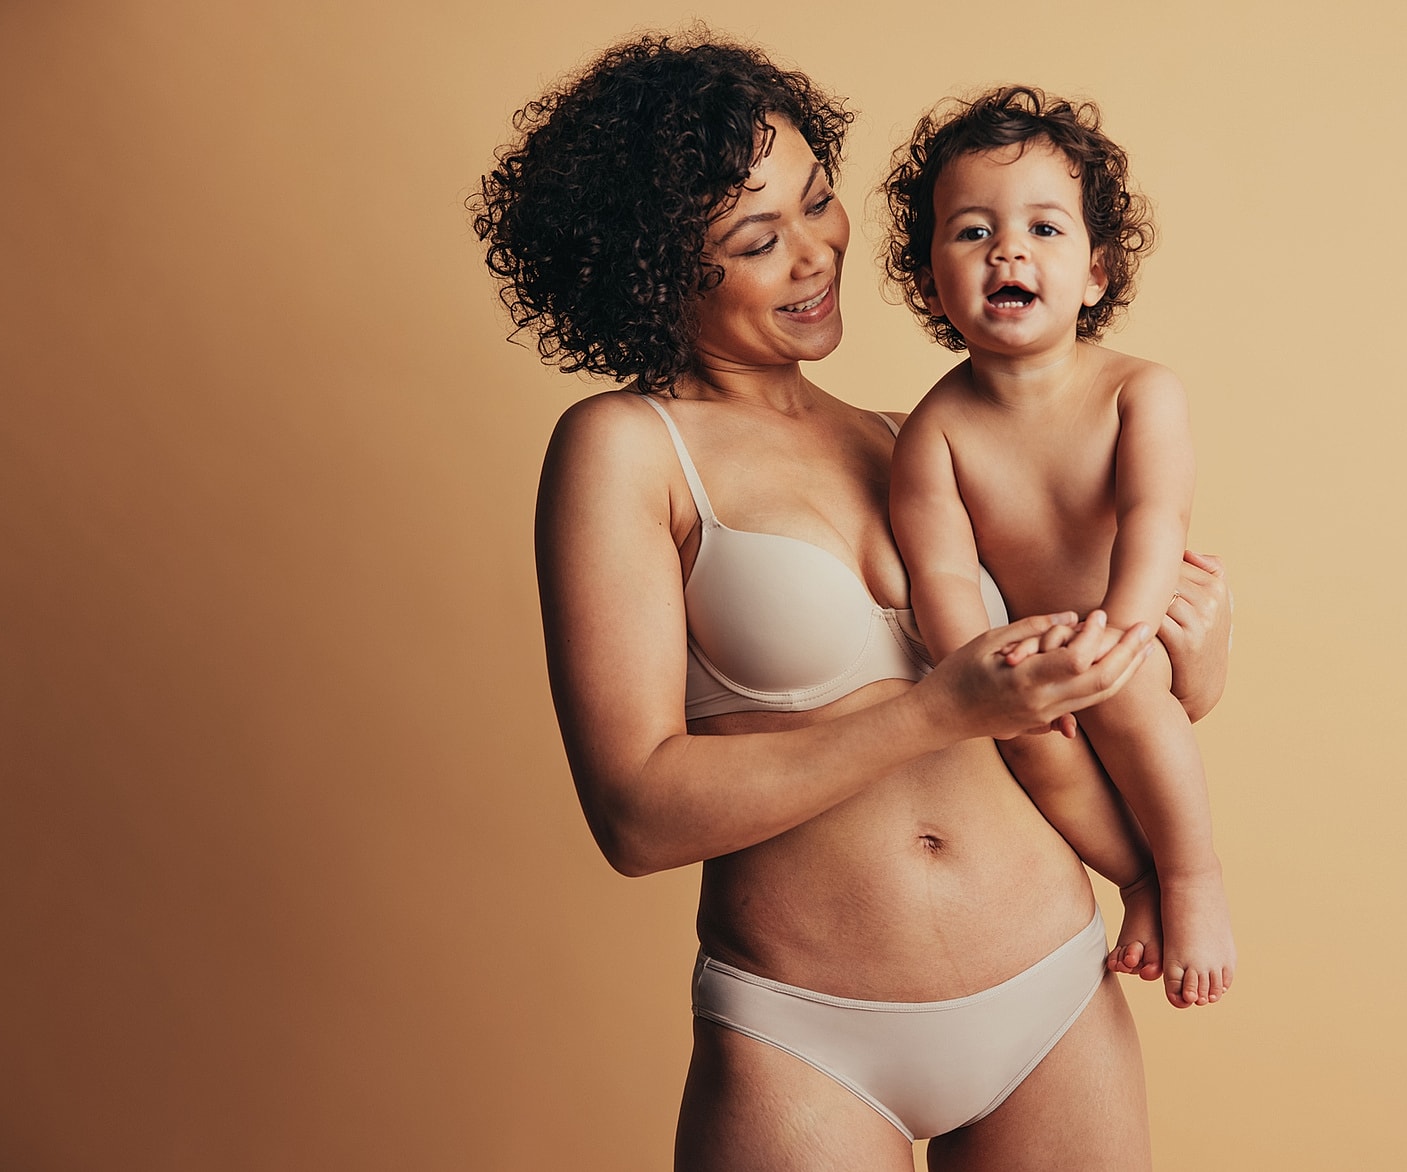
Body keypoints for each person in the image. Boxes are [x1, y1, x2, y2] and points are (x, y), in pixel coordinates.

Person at [473, 32, 1231, 1169]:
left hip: (1055, 994)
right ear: (654, 271)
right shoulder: (625, 450)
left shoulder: (919, 437)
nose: (813, 254)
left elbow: (1076, 699)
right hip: (809, 1035)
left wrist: (1195, 663)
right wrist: (936, 710)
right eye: (755, 240)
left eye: (818, 200)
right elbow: (636, 814)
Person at [882, 87, 1236, 1009]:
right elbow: (941, 570)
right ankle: (1138, 878)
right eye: (972, 232)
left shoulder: (1138, 392)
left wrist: (1122, 629)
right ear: (929, 283)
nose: (1008, 251)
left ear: (1094, 274)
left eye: (1044, 228)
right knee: (1030, 747)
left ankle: (1192, 879)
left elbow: (1157, 516)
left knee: (1124, 692)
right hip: (1030, 652)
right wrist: (979, 672)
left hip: (1134, 628)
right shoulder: (934, 433)